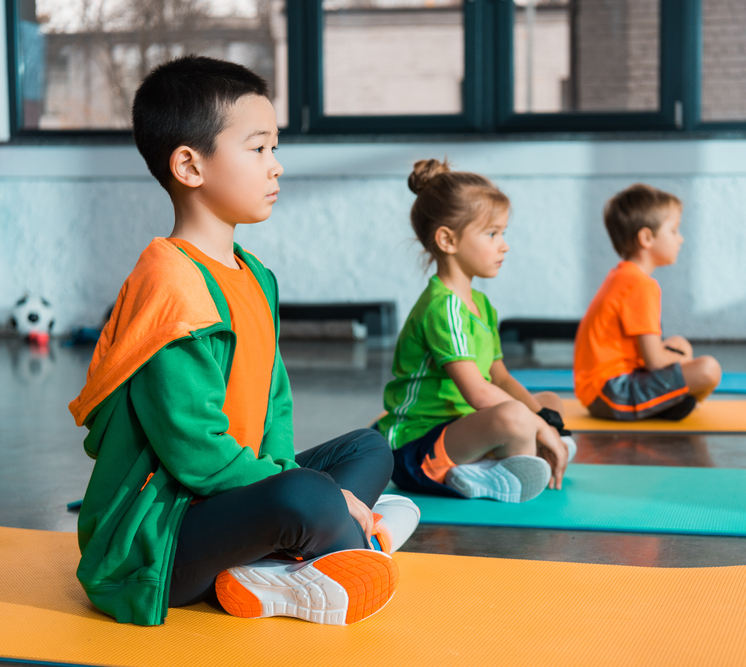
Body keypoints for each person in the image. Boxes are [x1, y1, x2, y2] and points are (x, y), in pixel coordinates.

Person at [67, 56, 418, 627]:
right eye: (258, 149)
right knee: (307, 497)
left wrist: (293, 475)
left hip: (227, 501)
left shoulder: (255, 275)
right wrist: (312, 492)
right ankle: (328, 538)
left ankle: (291, 555)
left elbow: (275, 402)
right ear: (189, 165)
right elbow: (197, 454)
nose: (276, 167)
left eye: (274, 148)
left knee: (370, 449)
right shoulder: (171, 284)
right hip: (163, 538)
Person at [377, 159, 574, 504]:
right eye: (492, 233)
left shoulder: (480, 304)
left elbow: (500, 376)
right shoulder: (443, 306)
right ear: (447, 240)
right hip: (414, 451)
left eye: (503, 233)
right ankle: (476, 468)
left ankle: (489, 468)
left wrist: (546, 418)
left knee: (547, 401)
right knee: (517, 418)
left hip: (459, 430)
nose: (504, 245)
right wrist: (540, 427)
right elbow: (478, 393)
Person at [574, 184, 722, 421]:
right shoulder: (640, 285)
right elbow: (655, 361)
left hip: (598, 392)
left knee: (678, 343)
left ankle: (668, 404)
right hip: (612, 392)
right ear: (646, 238)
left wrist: (679, 356)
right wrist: (686, 362)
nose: (680, 239)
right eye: (674, 231)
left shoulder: (622, 276)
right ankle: (668, 405)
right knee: (708, 369)